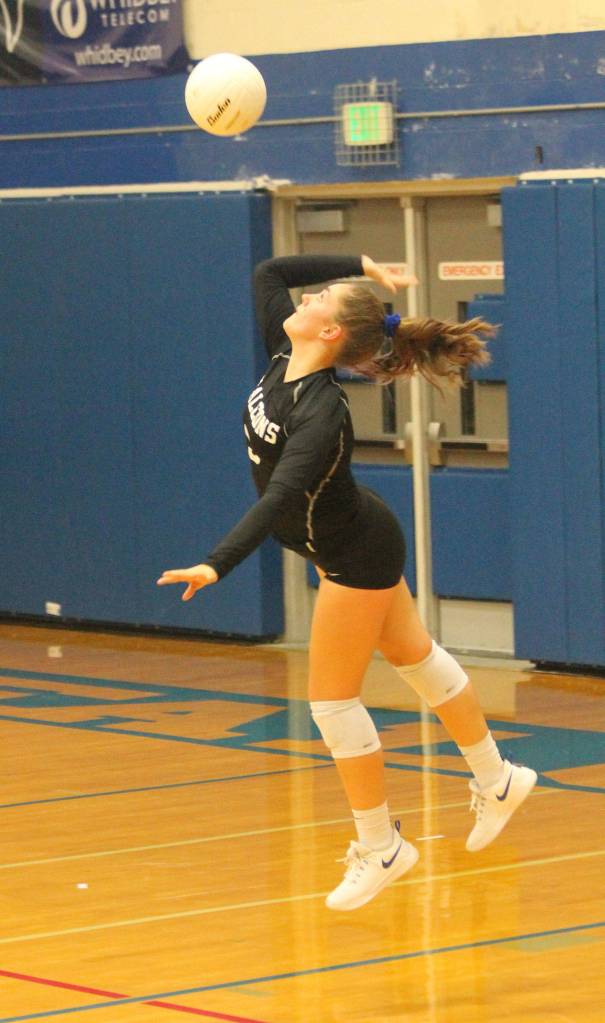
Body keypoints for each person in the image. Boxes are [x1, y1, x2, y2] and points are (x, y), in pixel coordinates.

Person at [157, 254, 537, 912]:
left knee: (332, 703)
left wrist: (216, 561)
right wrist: (359, 264)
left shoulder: (322, 412)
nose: (303, 300)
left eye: (320, 298)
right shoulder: (287, 345)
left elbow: (278, 496)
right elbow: (269, 273)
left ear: (329, 332)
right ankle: (496, 776)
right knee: (415, 655)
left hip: (351, 552)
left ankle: (380, 844)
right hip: (353, 536)